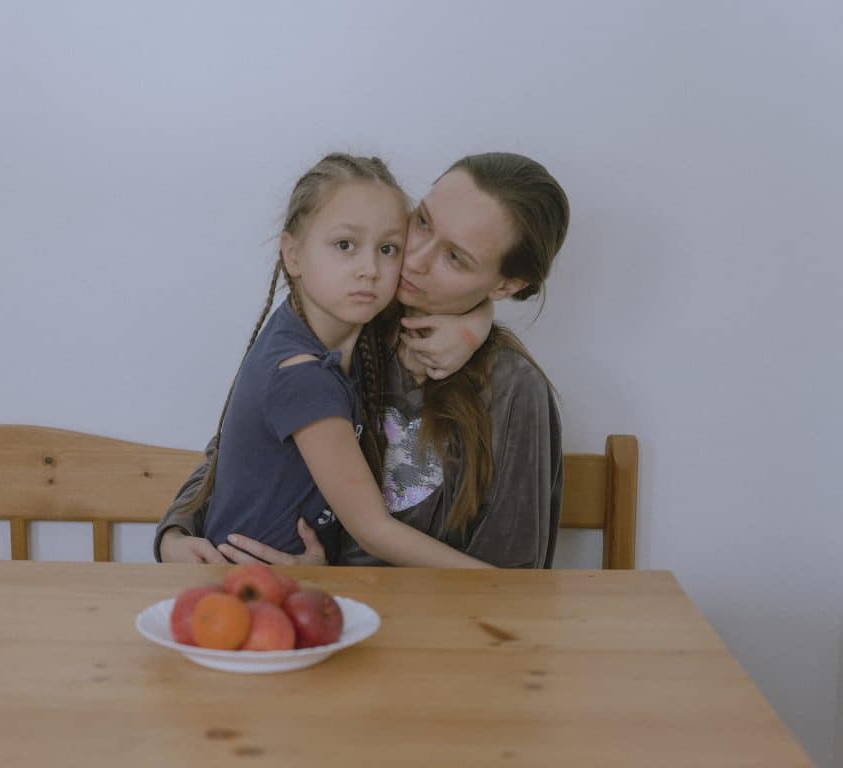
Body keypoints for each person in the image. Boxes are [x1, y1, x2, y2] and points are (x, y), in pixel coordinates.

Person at [156, 152, 569, 569]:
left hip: (432, 627)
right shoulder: (350, 318)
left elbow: (515, 582)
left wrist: (475, 328)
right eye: (422, 221)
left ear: (506, 284)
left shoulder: (513, 390)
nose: (416, 258)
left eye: (455, 257)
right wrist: (177, 533)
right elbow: (238, 450)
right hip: (315, 613)